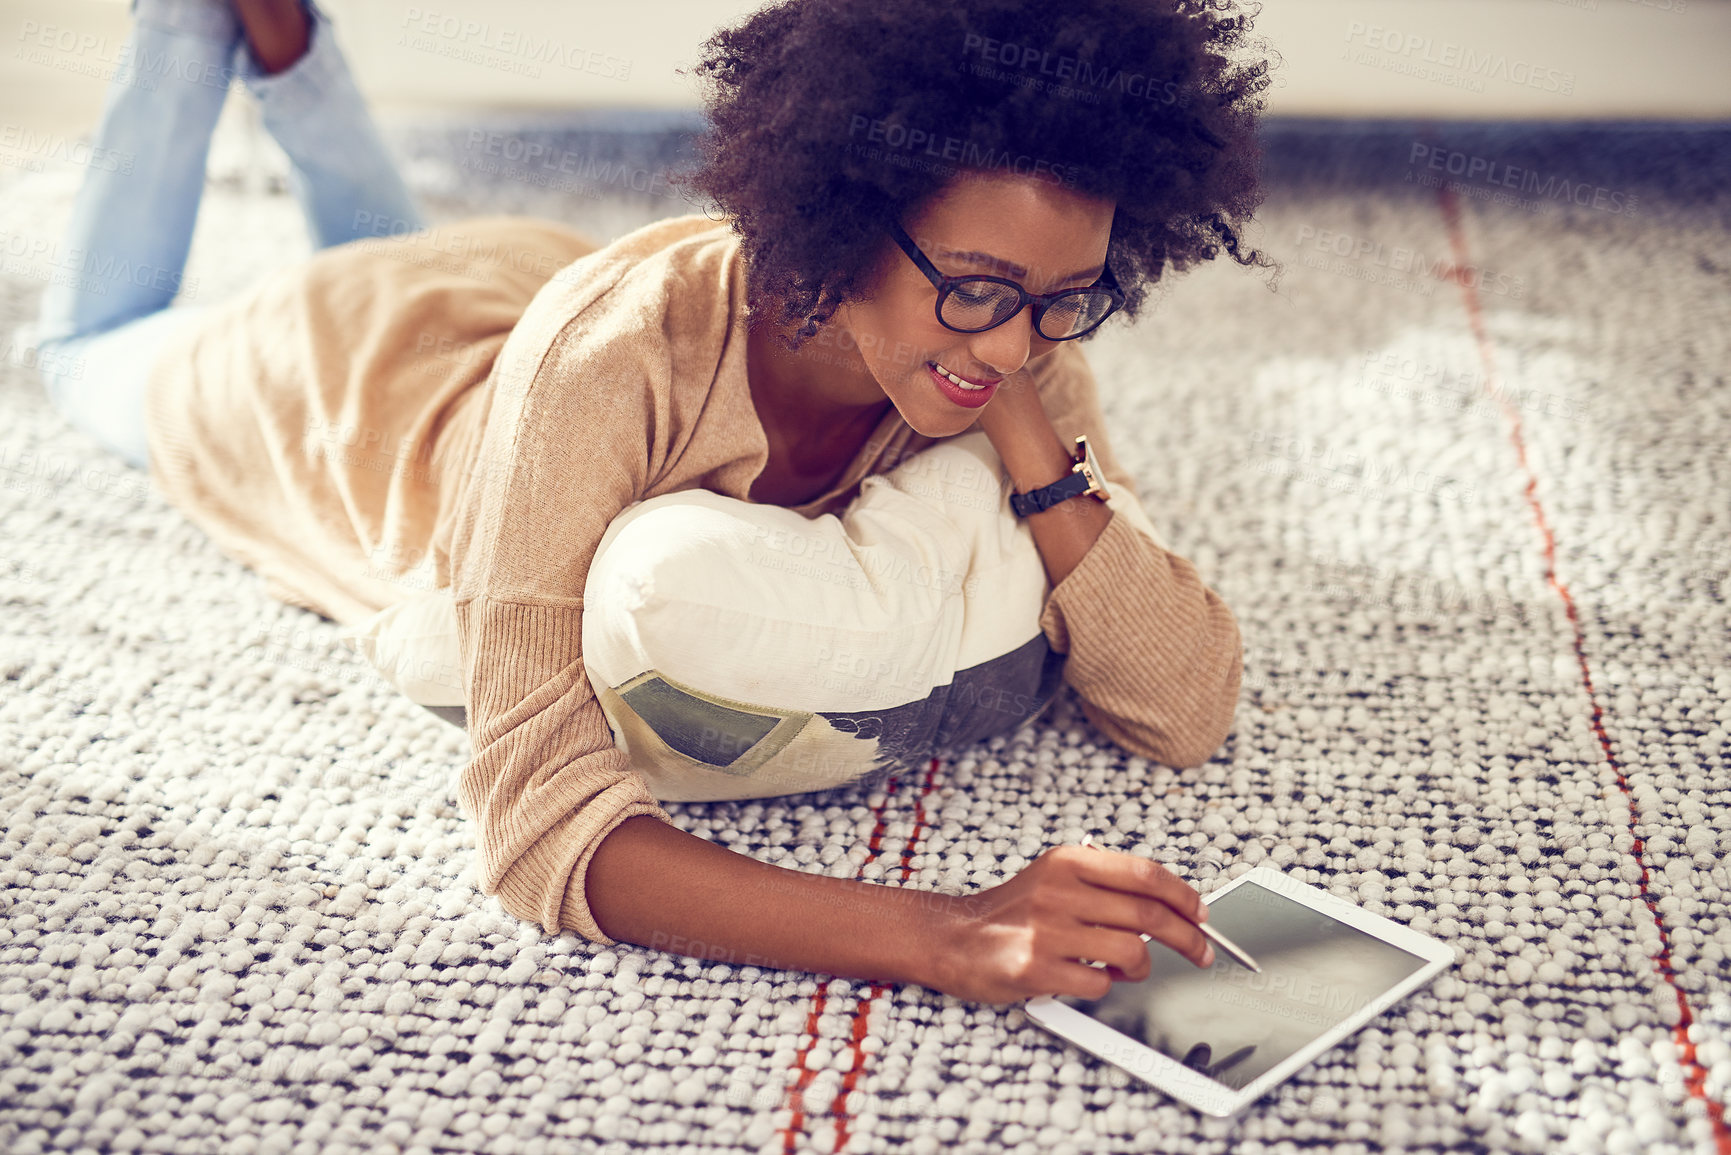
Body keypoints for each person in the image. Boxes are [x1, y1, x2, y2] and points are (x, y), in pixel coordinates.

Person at [30, 0, 1270, 1006]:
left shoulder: (1009, 338)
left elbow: (1182, 705)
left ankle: (302, 64)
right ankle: (196, 27)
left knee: (391, 236)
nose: (1018, 342)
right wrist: (946, 933)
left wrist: (1026, 426)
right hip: (337, 385)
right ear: (834, 224)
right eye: (982, 290)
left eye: (1068, 296)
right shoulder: (608, 360)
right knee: (89, 348)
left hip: (505, 273)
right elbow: (538, 829)